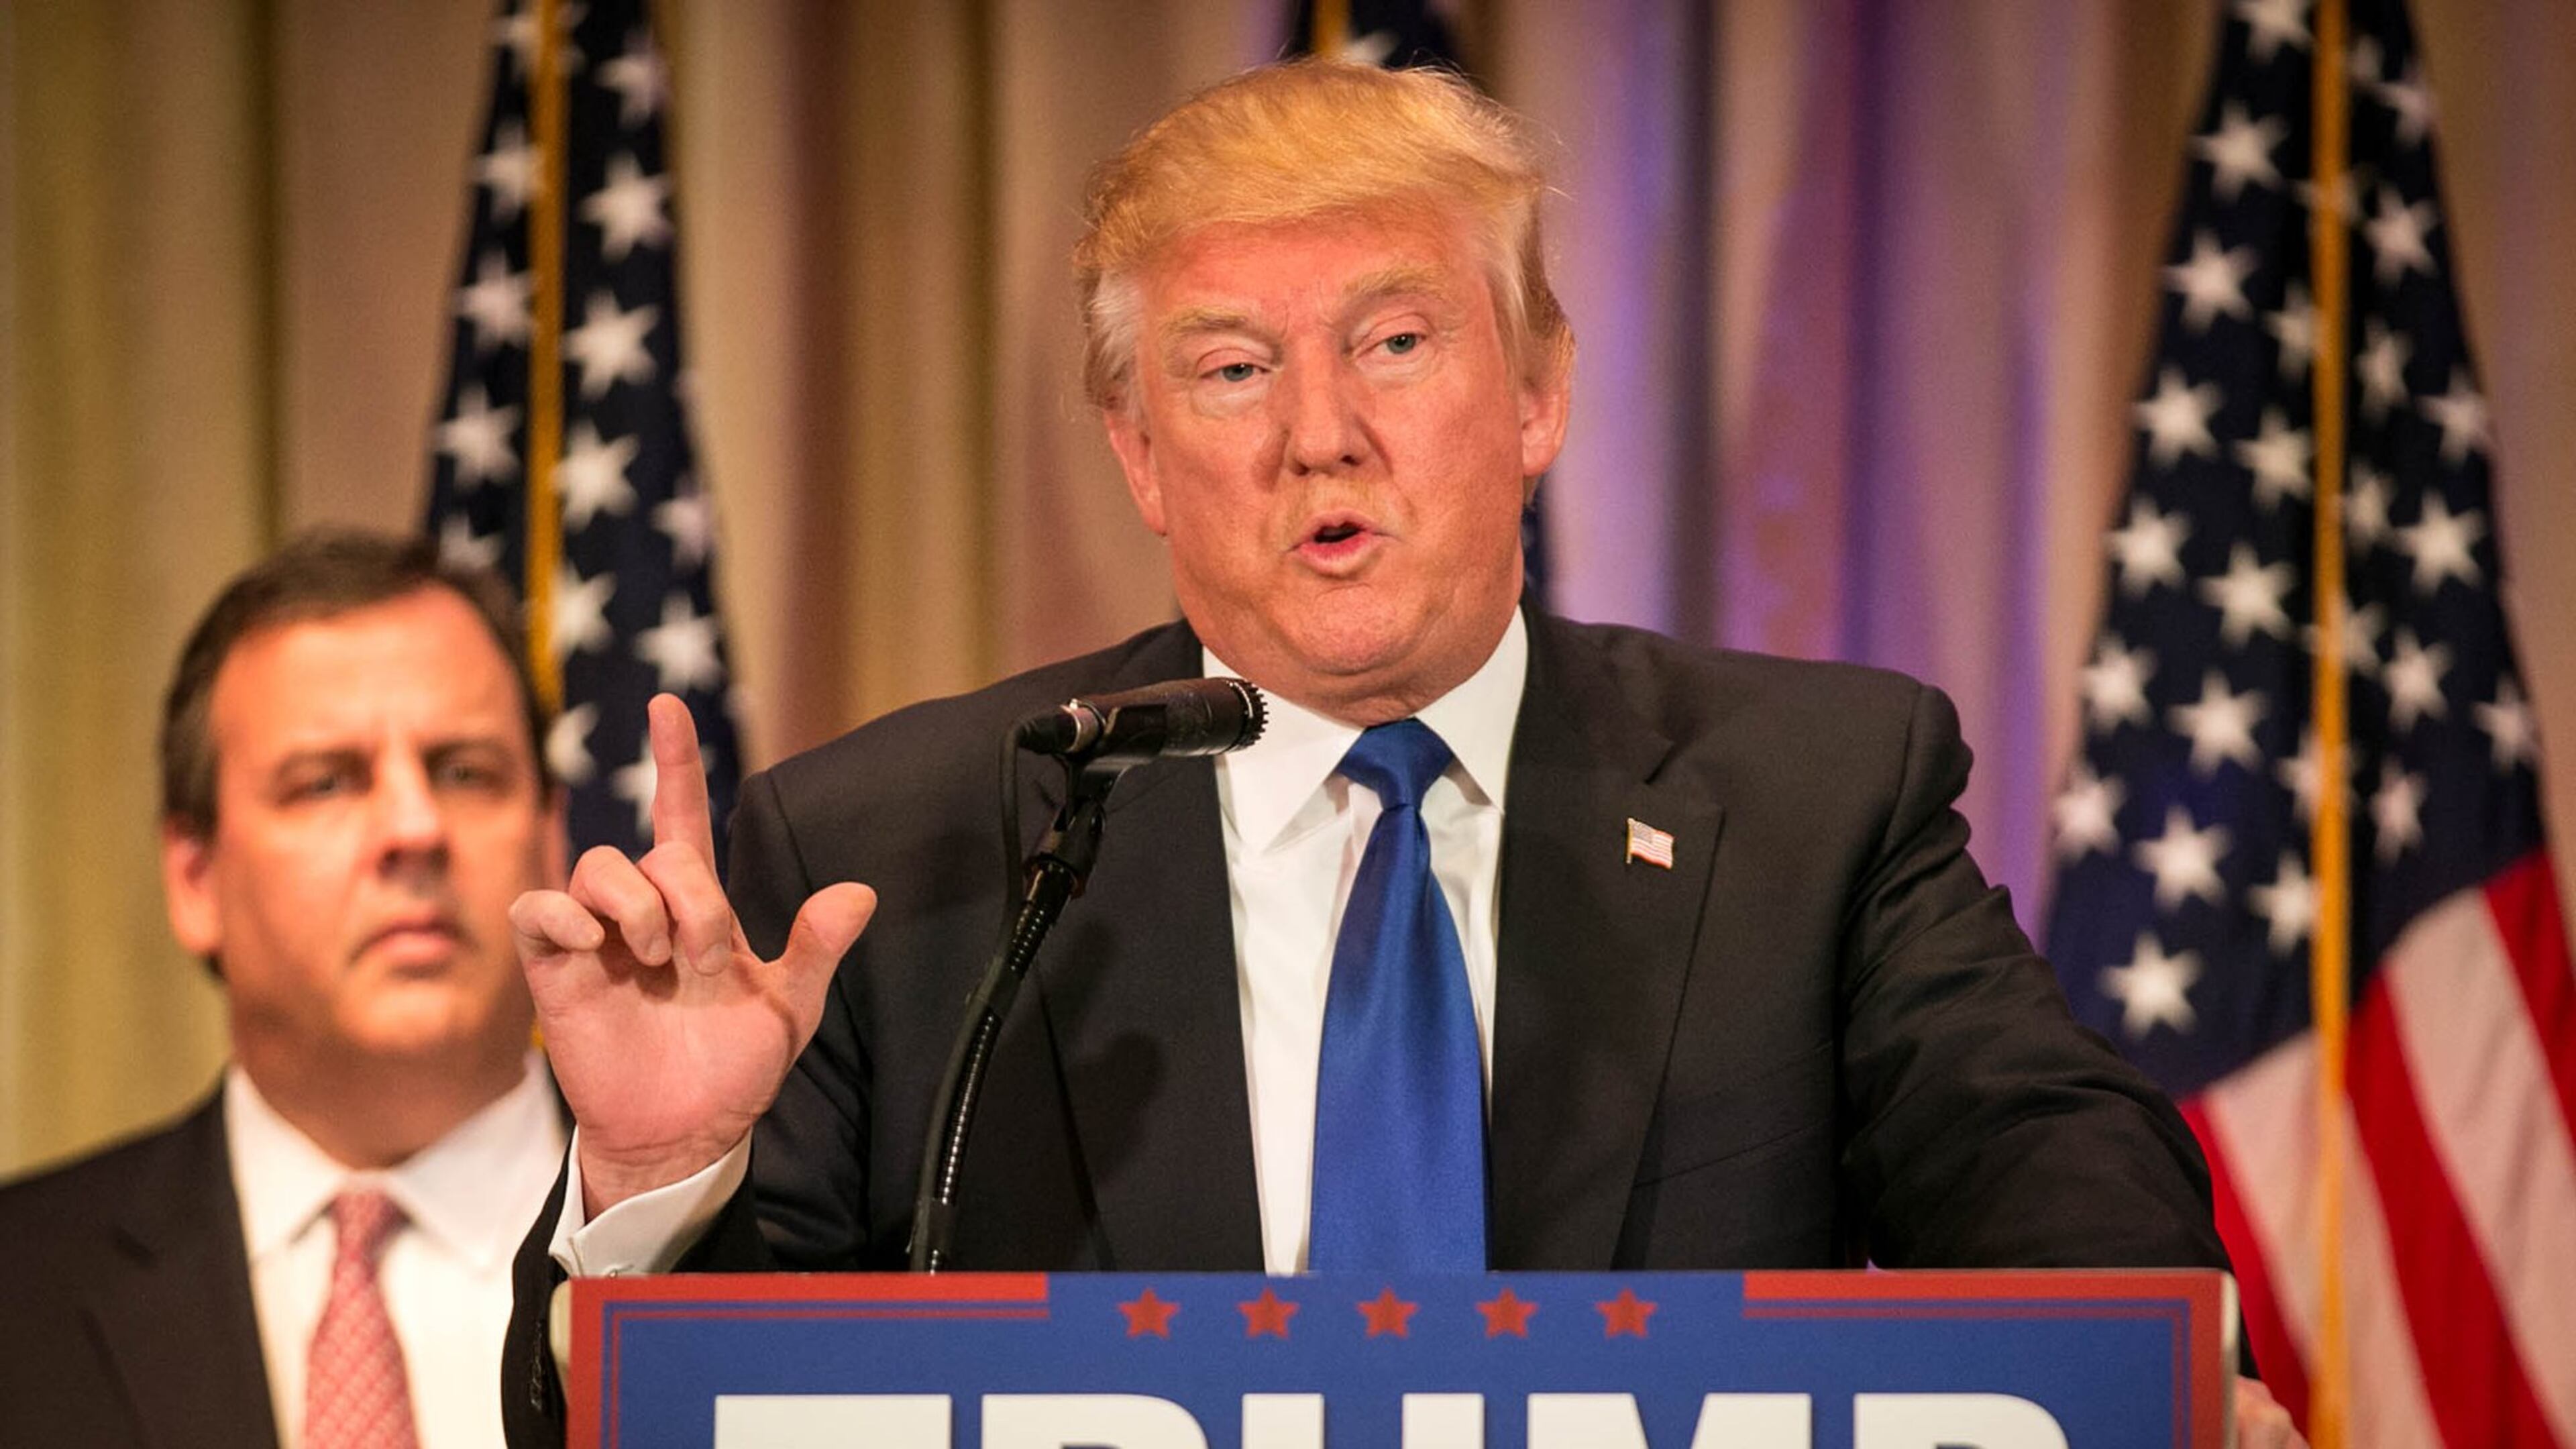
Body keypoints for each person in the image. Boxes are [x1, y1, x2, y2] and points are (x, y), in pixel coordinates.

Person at [501, 60, 2300, 1446]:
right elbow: (671, 1419)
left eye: (1397, 340)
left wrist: (2163, 1371)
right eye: (1228, 372)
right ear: (1136, 455)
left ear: (1539, 393)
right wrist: (661, 1188)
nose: (1320, 438)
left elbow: (2047, 1164)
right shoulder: (904, 854)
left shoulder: (1813, 799)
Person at [0, 531, 570, 1449]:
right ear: (195, 879)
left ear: (552, 841)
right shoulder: (20, 1290)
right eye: (326, 783)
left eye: (465, 772)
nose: (415, 828)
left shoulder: (736, 1254)